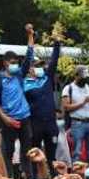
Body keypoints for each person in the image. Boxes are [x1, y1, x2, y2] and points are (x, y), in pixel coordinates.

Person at [0, 46, 33, 179]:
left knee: (27, 151)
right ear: (5, 63)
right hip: (9, 121)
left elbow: (29, 58)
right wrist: (5, 119)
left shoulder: (19, 74)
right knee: (8, 152)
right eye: (12, 62)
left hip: (24, 118)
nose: (15, 65)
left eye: (16, 63)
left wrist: (30, 36)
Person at [22, 24, 63, 163]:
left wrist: (57, 43)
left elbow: (54, 60)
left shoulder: (47, 77)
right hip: (35, 124)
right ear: (30, 69)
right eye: (36, 65)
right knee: (35, 154)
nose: (39, 67)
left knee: (52, 156)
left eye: (41, 65)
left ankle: (54, 178)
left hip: (51, 123)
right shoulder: (25, 84)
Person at [63, 65, 89, 161]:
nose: (85, 79)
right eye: (83, 77)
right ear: (76, 75)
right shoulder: (68, 88)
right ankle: (76, 174)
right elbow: (66, 107)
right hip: (77, 123)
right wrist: (82, 102)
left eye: (86, 77)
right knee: (77, 152)